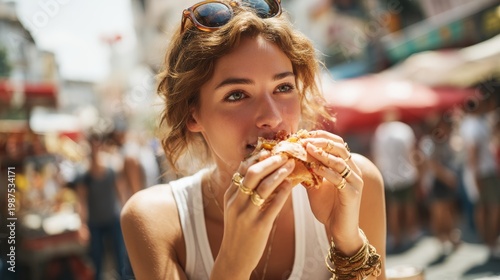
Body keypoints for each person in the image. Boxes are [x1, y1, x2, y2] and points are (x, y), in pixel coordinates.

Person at [121, 1, 387, 279]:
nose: (272, 118)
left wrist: (347, 244)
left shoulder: (351, 183)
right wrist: (233, 262)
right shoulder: (156, 219)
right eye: (237, 94)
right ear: (193, 115)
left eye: (283, 87)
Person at [76, 133, 128, 279]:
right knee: (96, 260)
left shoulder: (112, 168)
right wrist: (83, 225)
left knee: (120, 259)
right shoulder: (84, 174)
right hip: (95, 223)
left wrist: (125, 214)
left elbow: (121, 192)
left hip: (113, 219)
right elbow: (82, 201)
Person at [371, 109, 420, 252]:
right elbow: (411, 152)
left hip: (389, 176)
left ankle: (397, 237)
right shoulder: (404, 130)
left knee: (394, 208)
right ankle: (412, 233)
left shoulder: (380, 132)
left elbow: (376, 155)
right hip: (406, 174)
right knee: (409, 205)